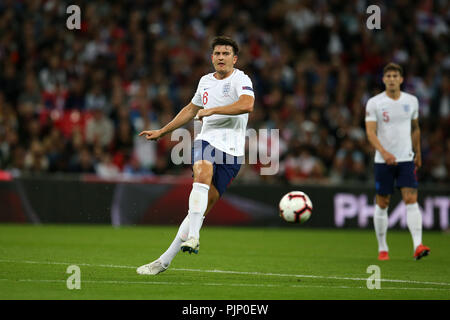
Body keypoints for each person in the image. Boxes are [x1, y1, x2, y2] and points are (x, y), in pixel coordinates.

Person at [136, 36, 255, 275]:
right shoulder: (205, 81)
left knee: (199, 211)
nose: (221, 57)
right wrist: (162, 131)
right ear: (212, 57)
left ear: (235, 58)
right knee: (202, 172)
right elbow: (191, 109)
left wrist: (212, 110)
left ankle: (164, 261)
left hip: (232, 152)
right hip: (207, 141)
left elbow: (246, 105)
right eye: (217, 53)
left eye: (226, 53)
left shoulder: (241, 79)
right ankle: (195, 236)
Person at [365, 63, 430, 261]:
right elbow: (370, 131)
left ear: (401, 79)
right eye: (389, 76)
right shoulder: (375, 103)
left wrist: (417, 151)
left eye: (395, 76)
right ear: (383, 80)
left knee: (411, 199)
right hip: (382, 161)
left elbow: (415, 128)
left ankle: (418, 246)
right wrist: (383, 152)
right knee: (383, 202)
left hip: (406, 159)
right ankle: (382, 248)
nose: (392, 79)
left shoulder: (412, 101)